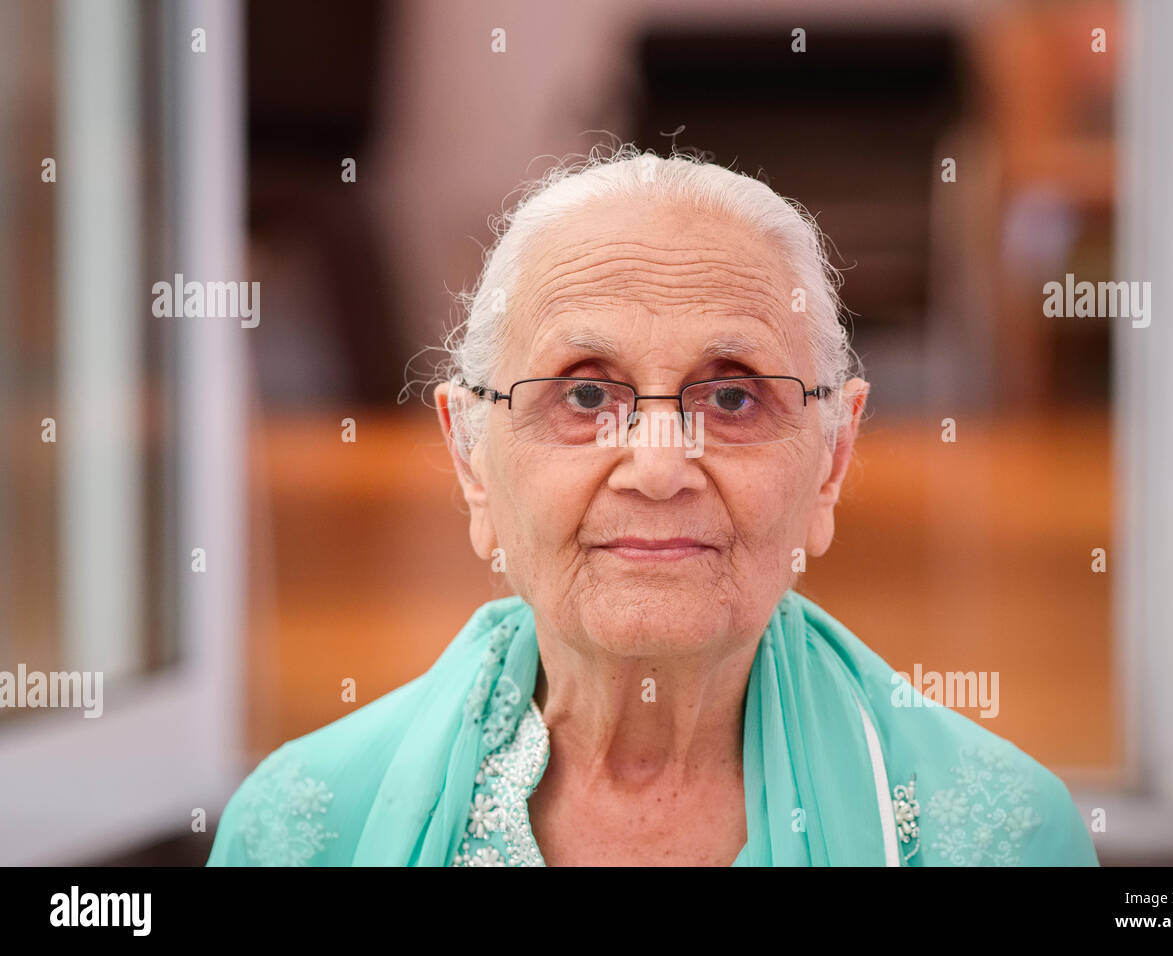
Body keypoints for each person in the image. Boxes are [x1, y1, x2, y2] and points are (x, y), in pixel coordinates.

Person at [208, 146, 1099, 866]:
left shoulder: (999, 839)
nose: (659, 468)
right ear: (470, 456)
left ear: (833, 459)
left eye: (734, 399)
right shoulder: (300, 831)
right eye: (587, 397)